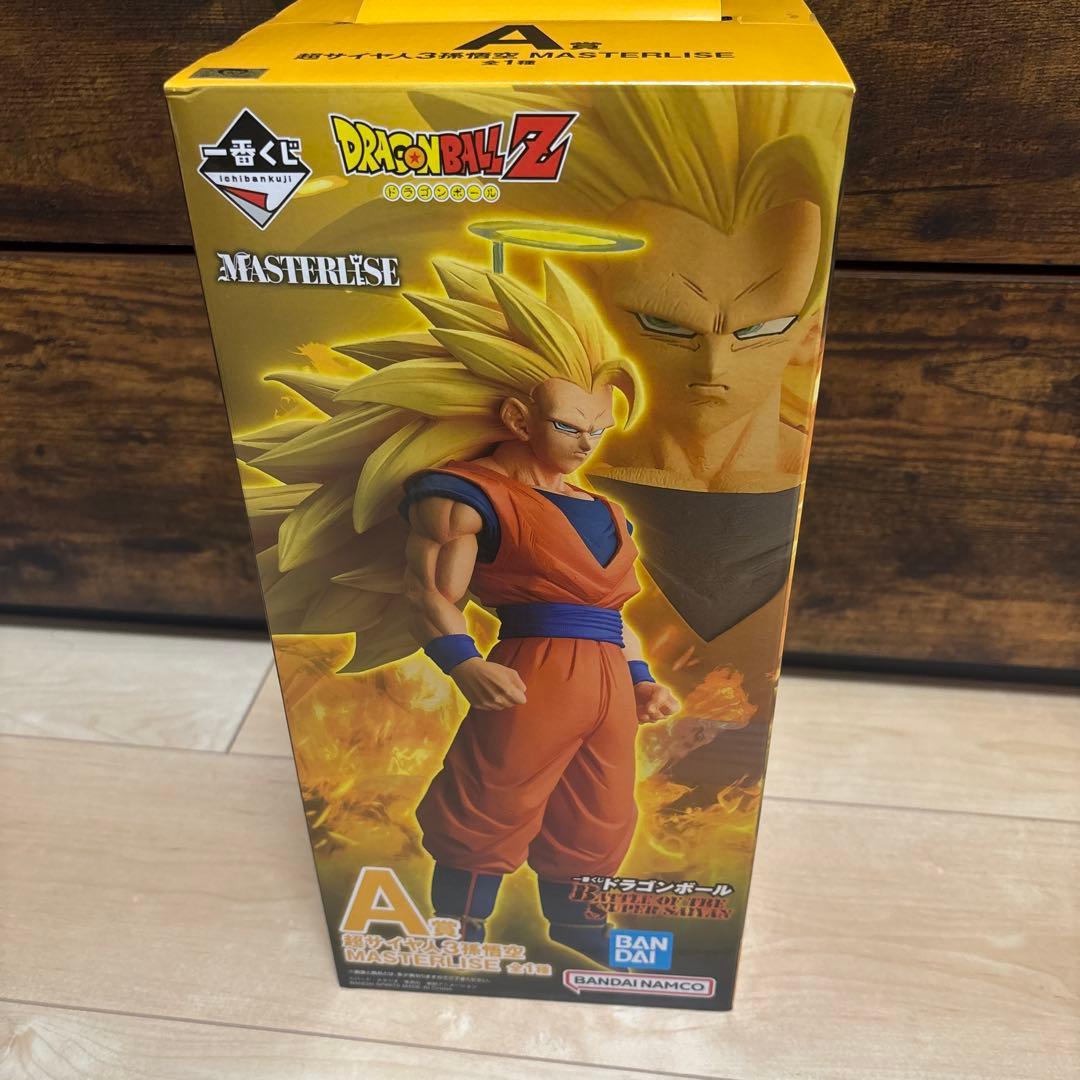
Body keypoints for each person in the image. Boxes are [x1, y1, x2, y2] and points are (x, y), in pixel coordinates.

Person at [237, 261, 677, 961]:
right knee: (493, 795)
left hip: (607, 678)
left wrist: (642, 677)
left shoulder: (606, 510)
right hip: (534, 668)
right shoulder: (465, 493)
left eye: (597, 428)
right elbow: (430, 594)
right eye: (569, 426)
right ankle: (459, 927)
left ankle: (579, 924)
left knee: (601, 808)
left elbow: (611, 611)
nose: (586, 443)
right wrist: (463, 661)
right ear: (517, 419)